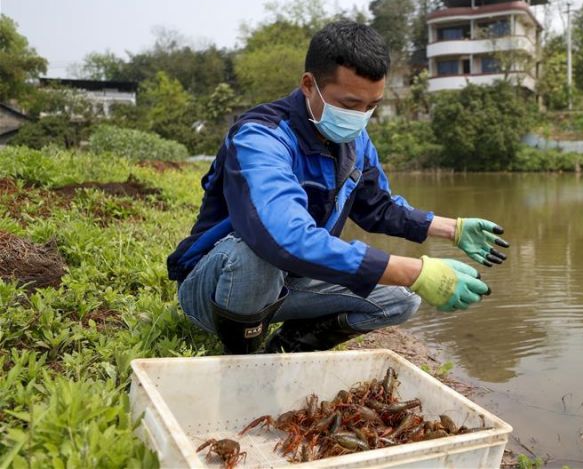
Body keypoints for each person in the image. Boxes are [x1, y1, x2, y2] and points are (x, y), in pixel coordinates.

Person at [166, 20, 509, 355]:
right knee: (255, 255)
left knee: (400, 298)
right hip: (216, 288)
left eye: (371, 106)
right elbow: (282, 237)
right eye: (349, 105)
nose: (360, 117)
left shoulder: (356, 142)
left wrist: (452, 228)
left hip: (290, 280)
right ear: (308, 85)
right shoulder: (261, 136)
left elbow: (378, 207)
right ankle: (241, 353)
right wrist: (416, 270)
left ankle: (286, 349)